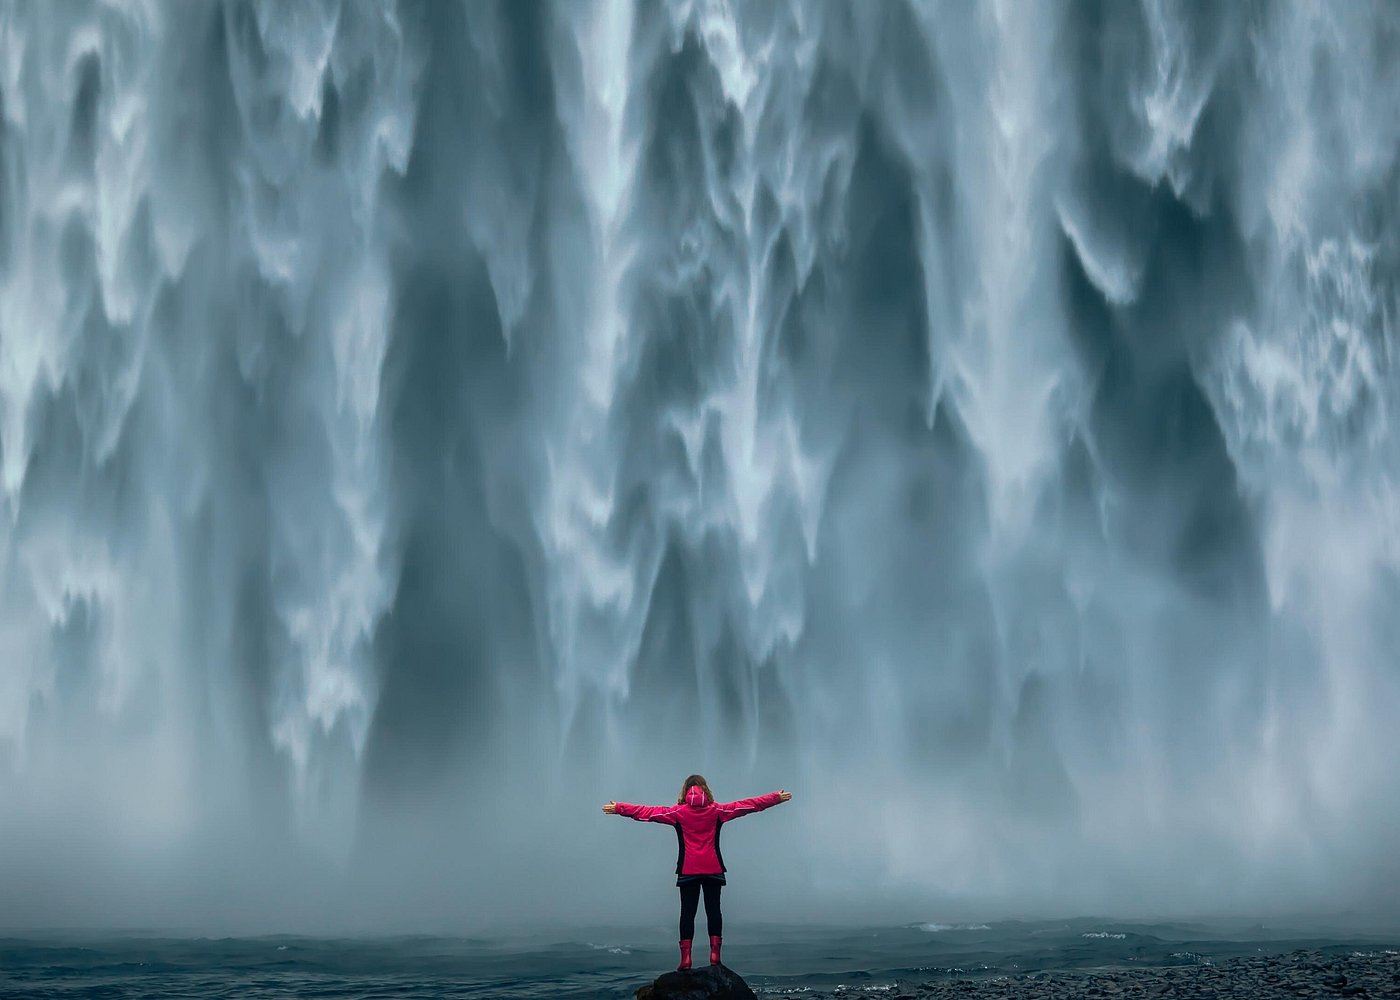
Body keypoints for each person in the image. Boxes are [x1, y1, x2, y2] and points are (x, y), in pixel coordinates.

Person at [604, 774, 792, 970]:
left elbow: (649, 813)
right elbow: (748, 805)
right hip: (713, 868)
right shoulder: (717, 811)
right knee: (714, 911)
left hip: (688, 869)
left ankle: (686, 959)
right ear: (706, 790)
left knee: (687, 913)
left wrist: (620, 808)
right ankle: (715, 955)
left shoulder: (677, 812)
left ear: (685, 791)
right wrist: (774, 798)